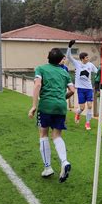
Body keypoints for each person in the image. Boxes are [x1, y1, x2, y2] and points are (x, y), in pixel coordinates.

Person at [28, 48, 75, 182]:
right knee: (57, 135)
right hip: (60, 107)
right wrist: (61, 98)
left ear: (48, 58)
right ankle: (64, 161)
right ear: (60, 60)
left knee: (43, 135)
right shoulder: (64, 72)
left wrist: (34, 106)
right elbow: (72, 90)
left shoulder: (41, 69)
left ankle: (48, 167)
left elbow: (37, 85)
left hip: (46, 106)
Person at [66, 40, 98, 130]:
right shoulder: (77, 63)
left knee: (90, 106)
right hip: (80, 89)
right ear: (82, 58)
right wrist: (70, 46)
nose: (88, 58)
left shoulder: (90, 65)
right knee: (82, 108)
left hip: (88, 88)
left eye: (88, 57)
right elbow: (68, 56)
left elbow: (97, 71)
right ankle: (78, 114)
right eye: (86, 57)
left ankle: (87, 123)